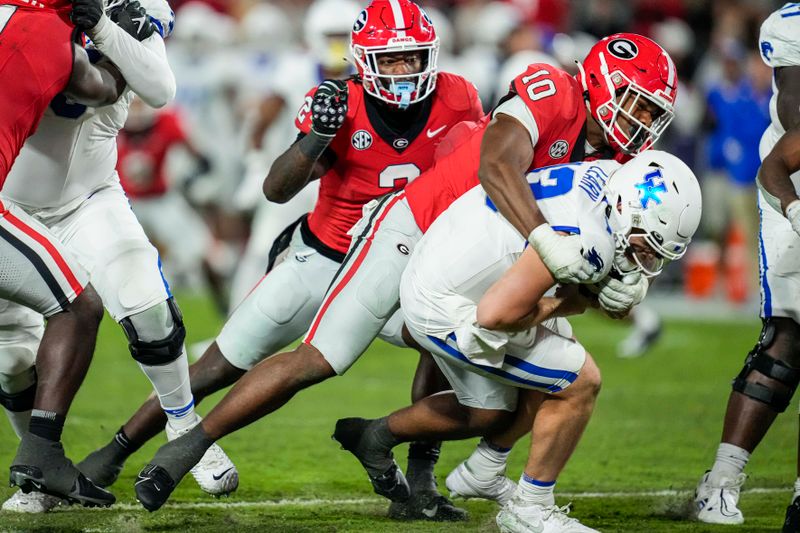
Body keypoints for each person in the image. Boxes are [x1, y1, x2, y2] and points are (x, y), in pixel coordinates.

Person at [127, 32, 678, 516]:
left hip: (481, 251)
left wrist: (618, 286)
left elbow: (605, 247)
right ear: (601, 83)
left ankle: (410, 470)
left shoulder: (618, 166)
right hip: (418, 223)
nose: (644, 123)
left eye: (655, 114)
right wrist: (546, 240)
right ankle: (184, 452)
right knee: (319, 359)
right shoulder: (553, 90)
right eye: (638, 105)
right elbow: (495, 164)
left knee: (493, 404)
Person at [81, 0, 484, 517]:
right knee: (217, 366)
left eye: (412, 58)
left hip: (406, 267)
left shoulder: (458, 97)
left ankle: (423, 479)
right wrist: (316, 138)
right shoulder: (340, 100)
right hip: (326, 255)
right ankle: (116, 452)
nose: (404, 71)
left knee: (444, 342)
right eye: (392, 59)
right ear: (364, 60)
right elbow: (276, 188)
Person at [335, 150, 702, 533]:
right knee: (580, 381)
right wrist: (569, 303)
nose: (645, 261)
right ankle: (530, 509)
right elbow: (496, 315)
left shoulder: (611, 177)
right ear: (628, 211)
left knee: (493, 410)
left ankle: (469, 464)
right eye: (644, 247)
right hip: (451, 302)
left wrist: (616, 287)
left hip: (455, 263)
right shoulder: (588, 238)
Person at [1, 0, 239, 514]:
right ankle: (40, 472)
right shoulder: (31, 18)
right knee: (12, 359)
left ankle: (185, 430)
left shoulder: (124, 13)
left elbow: (160, 88)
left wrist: (105, 28)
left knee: (147, 303)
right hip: (12, 204)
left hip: (90, 199)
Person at [0, 0, 130, 507]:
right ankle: (42, 452)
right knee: (79, 306)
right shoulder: (51, 35)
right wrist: (121, 43)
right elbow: (103, 87)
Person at [693, 4, 800, 531]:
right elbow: (783, 153)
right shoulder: (791, 30)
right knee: (786, 341)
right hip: (791, 190)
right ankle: (721, 482)